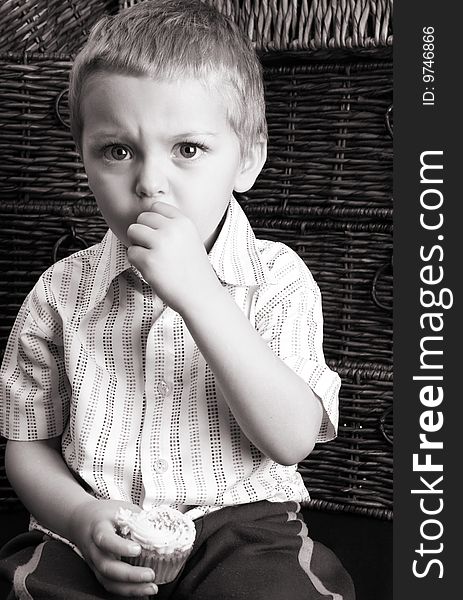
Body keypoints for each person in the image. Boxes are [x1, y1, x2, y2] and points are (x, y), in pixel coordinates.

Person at [0, 1, 355, 598]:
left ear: (247, 158)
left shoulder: (278, 279)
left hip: (242, 526)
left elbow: (292, 439)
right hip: (94, 517)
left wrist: (201, 294)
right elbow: (27, 444)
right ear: (83, 159)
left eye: (188, 149)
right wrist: (78, 520)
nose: (150, 182)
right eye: (117, 150)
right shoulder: (60, 293)